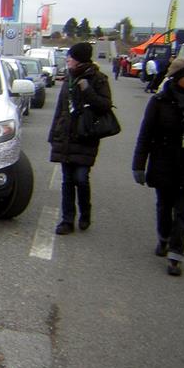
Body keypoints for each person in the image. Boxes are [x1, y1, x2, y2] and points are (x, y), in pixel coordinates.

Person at [132, 57, 184, 276]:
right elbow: (145, 134)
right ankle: (164, 237)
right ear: (177, 78)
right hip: (164, 162)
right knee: (164, 207)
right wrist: (139, 164)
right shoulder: (160, 101)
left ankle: (176, 254)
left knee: (183, 211)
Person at [48, 42, 113, 235]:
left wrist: (87, 91)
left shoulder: (98, 79)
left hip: (86, 136)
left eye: (71, 57)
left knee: (81, 178)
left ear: (80, 59)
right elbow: (60, 108)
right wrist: (53, 134)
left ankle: (85, 212)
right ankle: (67, 220)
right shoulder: (68, 78)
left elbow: (105, 106)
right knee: (67, 180)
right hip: (66, 135)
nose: (68, 59)